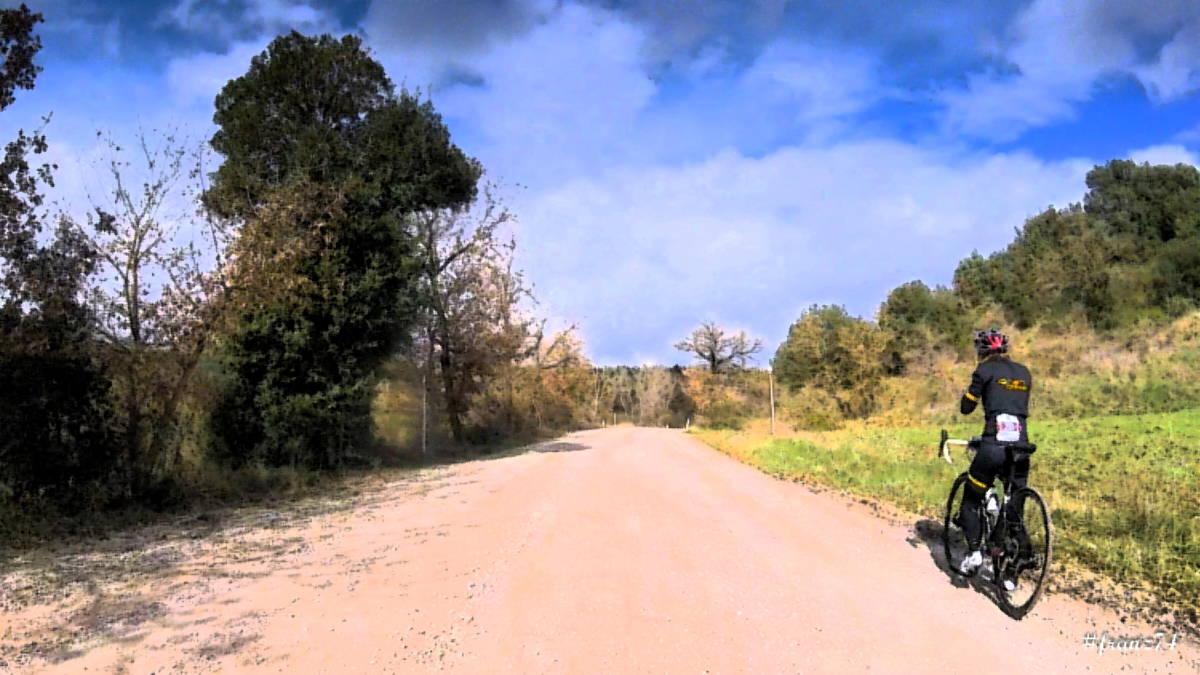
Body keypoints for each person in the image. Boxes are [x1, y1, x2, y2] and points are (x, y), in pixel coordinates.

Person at [956, 329, 1035, 589]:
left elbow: (966, 407)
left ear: (981, 351)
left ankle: (975, 553)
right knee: (1015, 507)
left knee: (970, 498)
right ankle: (1013, 568)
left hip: (993, 447)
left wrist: (969, 394)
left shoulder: (983, 372)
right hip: (1021, 448)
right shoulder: (1024, 373)